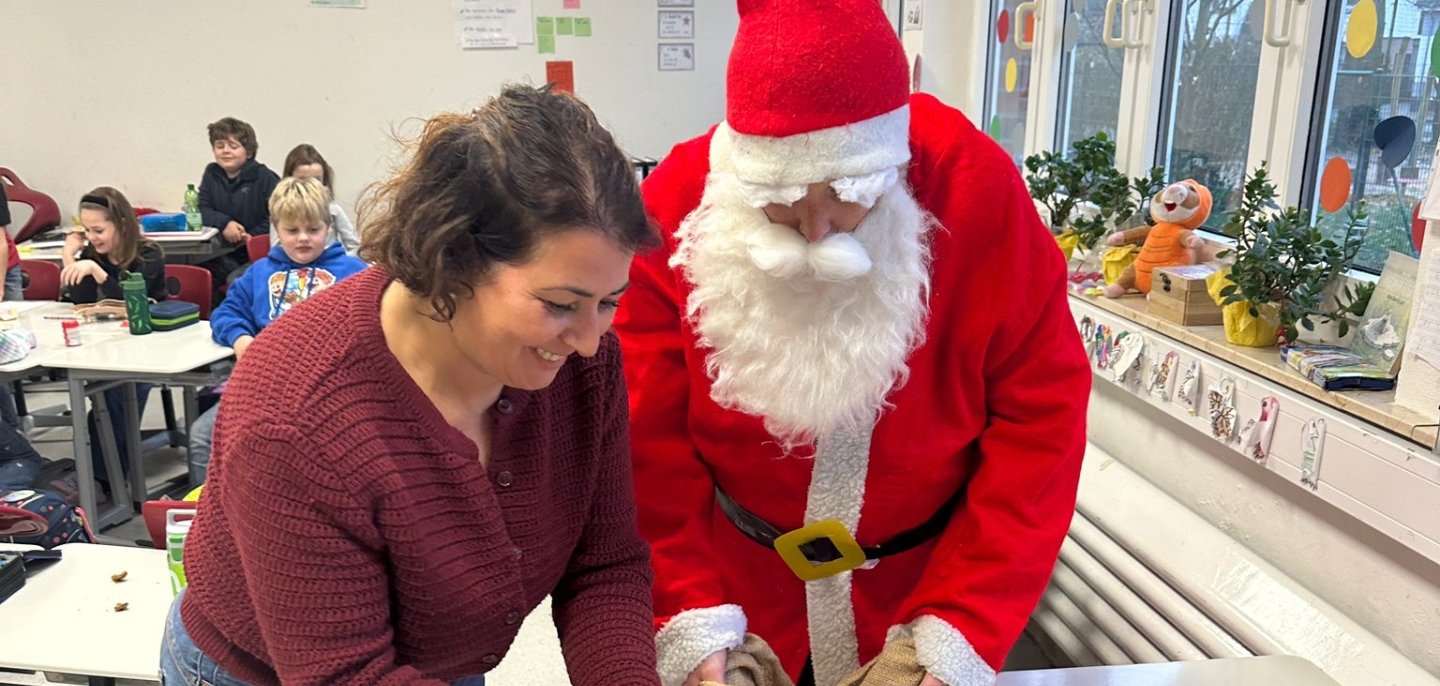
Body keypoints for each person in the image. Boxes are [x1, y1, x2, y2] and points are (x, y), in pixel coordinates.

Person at [613, 2, 1091, 685]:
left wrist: (960, 625)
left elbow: (1040, 422)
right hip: (743, 595)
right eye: (782, 199)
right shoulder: (678, 207)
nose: (816, 231)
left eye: (845, 192)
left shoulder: (974, 190)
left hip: (924, 593)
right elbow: (642, 438)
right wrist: (691, 614)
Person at [163, 85, 661, 686]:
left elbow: (603, 565)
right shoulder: (296, 416)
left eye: (609, 302)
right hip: (264, 671)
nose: (588, 341)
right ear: (452, 259)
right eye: (560, 304)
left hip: (436, 655)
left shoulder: (581, 363)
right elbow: (345, 675)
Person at [185, 176, 366, 487]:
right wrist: (241, 339)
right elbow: (226, 313)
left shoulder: (354, 274)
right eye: (292, 230)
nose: (303, 238)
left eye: (313, 229)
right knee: (202, 437)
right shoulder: (259, 273)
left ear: (329, 227)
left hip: (329, 392)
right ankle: (209, 513)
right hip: (264, 387)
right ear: (277, 230)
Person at [60, 187, 167, 495]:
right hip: (111, 344)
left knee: (117, 398)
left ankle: (107, 481)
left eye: (98, 230)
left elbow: (134, 303)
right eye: (87, 230)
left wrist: (99, 274)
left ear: (121, 224)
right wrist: (69, 257)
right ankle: (101, 478)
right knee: (103, 399)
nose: (92, 237)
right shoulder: (93, 254)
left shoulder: (148, 255)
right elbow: (79, 300)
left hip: (151, 347)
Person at [198, 116, 281, 299]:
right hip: (223, 251)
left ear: (248, 152)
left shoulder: (266, 178)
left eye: (233, 146)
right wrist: (225, 223)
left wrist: (250, 236)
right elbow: (202, 208)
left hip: (258, 252)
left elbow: (279, 217)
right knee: (199, 277)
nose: (225, 151)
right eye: (220, 146)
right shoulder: (211, 174)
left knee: (236, 281)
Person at [279, 144, 361, 254]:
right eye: (303, 180)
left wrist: (339, 260)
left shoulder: (334, 211)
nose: (311, 186)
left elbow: (354, 247)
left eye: (317, 180)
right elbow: (276, 249)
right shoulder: (281, 214)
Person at [0, 180, 24, 429]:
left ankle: (11, 429)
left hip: (3, 269)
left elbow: (0, 243)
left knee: (7, 347)